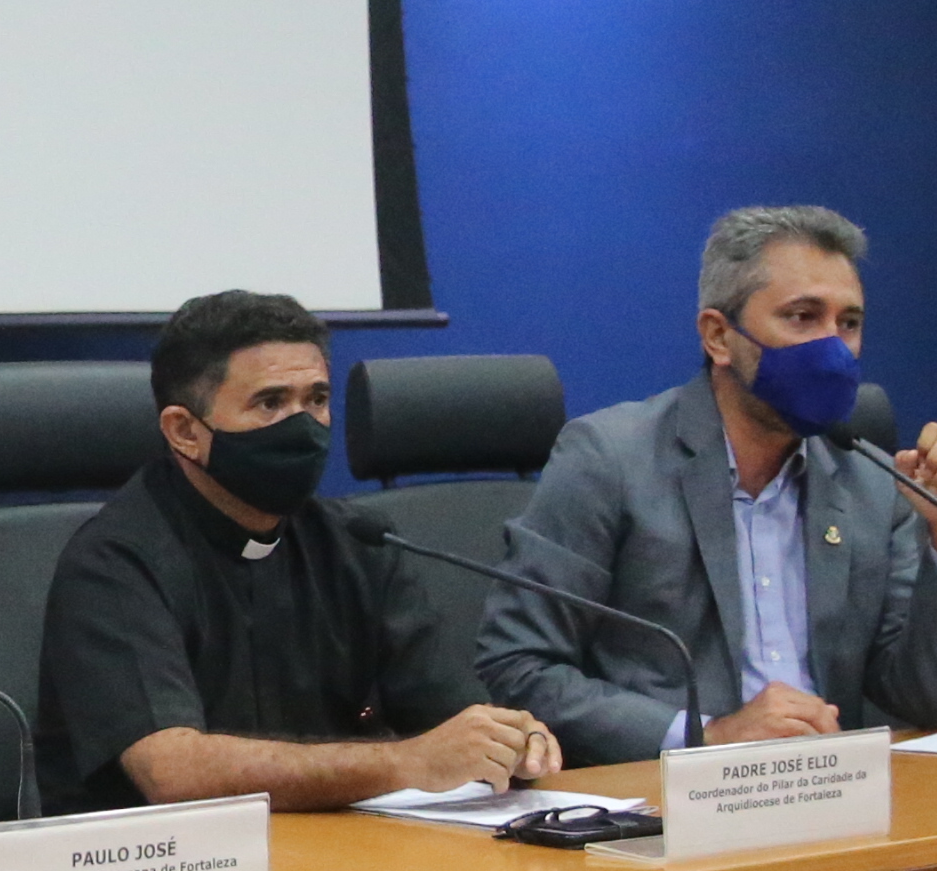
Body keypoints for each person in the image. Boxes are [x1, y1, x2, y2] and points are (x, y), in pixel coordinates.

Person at [478, 205, 937, 758]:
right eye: (802, 317)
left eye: (848, 323)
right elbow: (520, 664)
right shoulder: (610, 459)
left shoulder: (870, 479)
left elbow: (928, 700)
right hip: (667, 793)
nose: (832, 348)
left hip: (832, 787)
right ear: (718, 336)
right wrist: (707, 736)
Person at [35, 290, 559, 812]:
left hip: (343, 846)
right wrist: (405, 762)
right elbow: (172, 773)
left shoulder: (358, 543)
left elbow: (450, 716)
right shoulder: (115, 562)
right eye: (271, 403)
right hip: (160, 857)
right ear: (185, 431)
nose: (303, 425)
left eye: (316, 400)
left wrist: (507, 741)